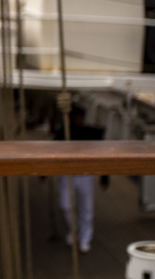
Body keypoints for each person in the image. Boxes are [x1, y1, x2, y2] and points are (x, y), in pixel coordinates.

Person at [55, 104, 107, 253]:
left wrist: (104, 177)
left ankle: (85, 238)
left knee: (87, 209)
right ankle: (75, 229)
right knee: (65, 205)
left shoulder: (90, 134)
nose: (78, 120)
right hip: (67, 174)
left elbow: (102, 154)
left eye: (80, 117)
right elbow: (52, 151)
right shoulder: (63, 133)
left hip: (85, 174)